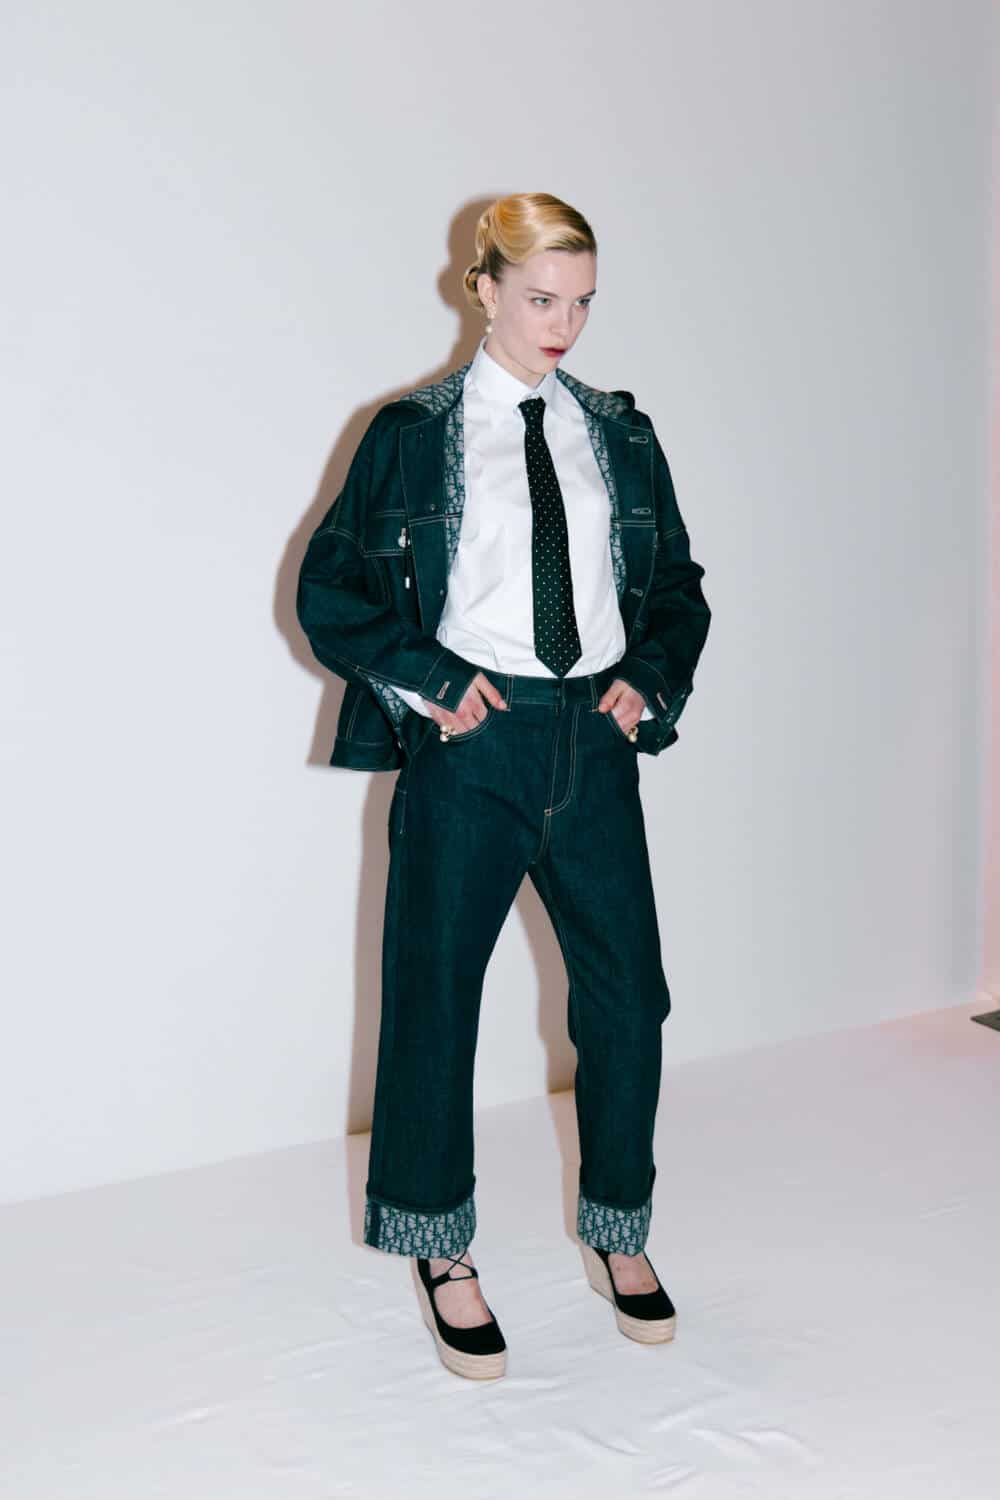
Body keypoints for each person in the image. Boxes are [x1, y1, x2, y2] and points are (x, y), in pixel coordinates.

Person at [296, 192, 711, 1380]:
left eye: (580, 302)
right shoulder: (408, 434)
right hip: (472, 747)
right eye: (539, 298)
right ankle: (441, 1249)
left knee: (628, 999)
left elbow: (675, 585)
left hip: (592, 744)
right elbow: (331, 592)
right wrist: (432, 682)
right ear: (481, 289)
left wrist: (648, 680)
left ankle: (617, 1229)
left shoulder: (618, 432)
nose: (561, 324)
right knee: (434, 996)